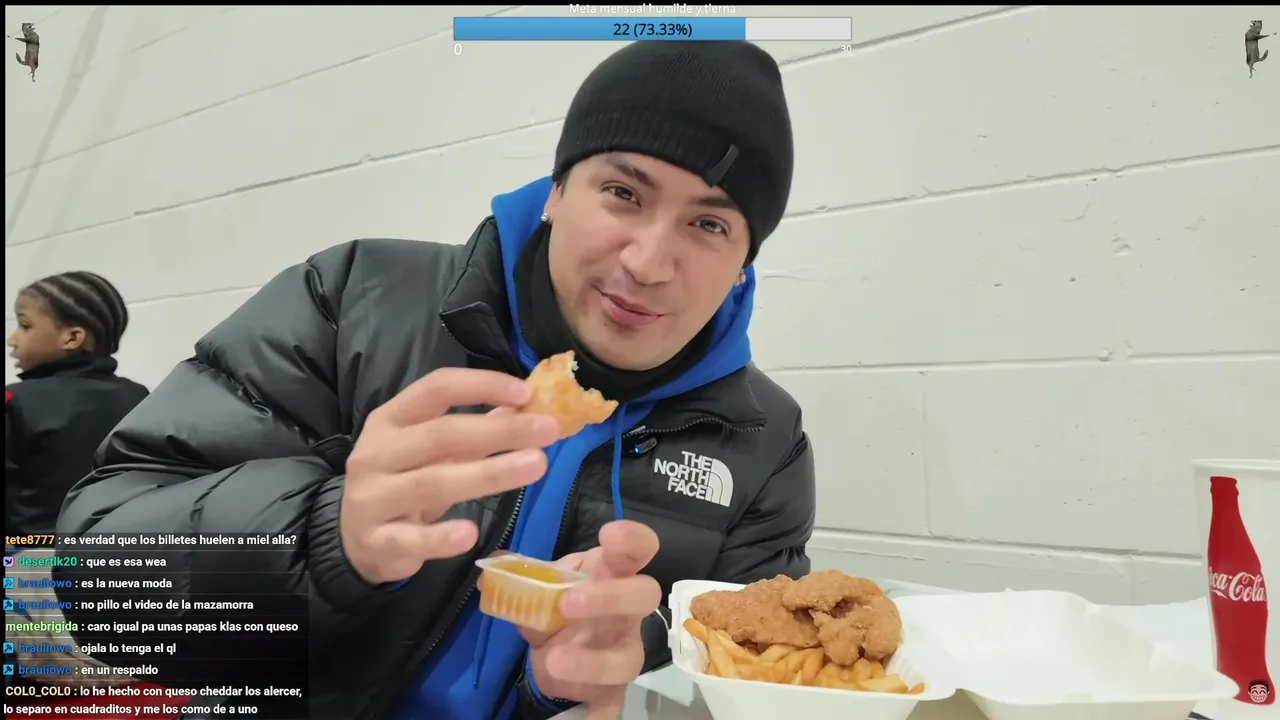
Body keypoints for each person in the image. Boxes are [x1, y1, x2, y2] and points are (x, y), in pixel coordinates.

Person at [53, 40, 817, 720]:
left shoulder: (763, 440)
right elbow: (102, 583)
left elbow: (751, 676)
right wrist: (325, 538)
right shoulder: (355, 301)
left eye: (709, 224)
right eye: (623, 192)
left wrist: (597, 682)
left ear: (743, 262)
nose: (647, 263)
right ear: (557, 191)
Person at [6, 270, 148, 536]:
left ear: (72, 338)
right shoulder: (139, 396)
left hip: (34, 551)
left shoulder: (15, 400)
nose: (12, 340)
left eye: (25, 326)